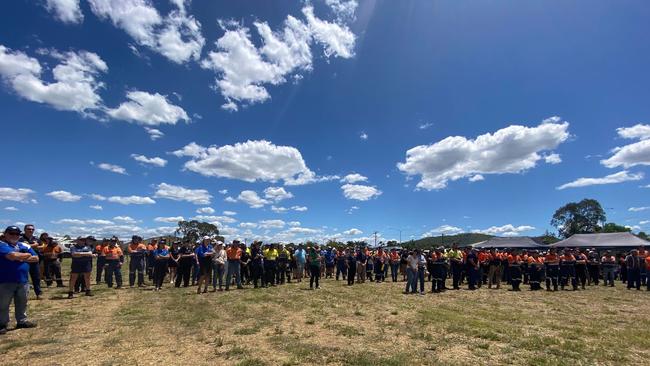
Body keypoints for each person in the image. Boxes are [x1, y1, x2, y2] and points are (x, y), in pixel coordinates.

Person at [0, 226, 39, 334]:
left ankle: (22, 321)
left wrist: (19, 257)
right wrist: (25, 256)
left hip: (23, 280)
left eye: (17, 234)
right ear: (5, 234)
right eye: (11, 233)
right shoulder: (2, 245)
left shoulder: (23, 245)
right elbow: (12, 255)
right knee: (3, 304)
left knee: (22, 302)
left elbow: (36, 258)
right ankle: (2, 324)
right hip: (5, 280)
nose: (14, 236)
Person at [18, 224, 42, 300]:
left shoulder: (36, 238)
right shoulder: (20, 238)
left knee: (36, 277)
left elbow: (42, 246)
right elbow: (19, 246)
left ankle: (38, 293)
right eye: (29, 229)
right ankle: (22, 294)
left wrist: (30, 245)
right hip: (24, 261)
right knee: (23, 277)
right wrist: (34, 245)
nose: (31, 230)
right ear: (24, 230)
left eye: (32, 229)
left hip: (35, 260)